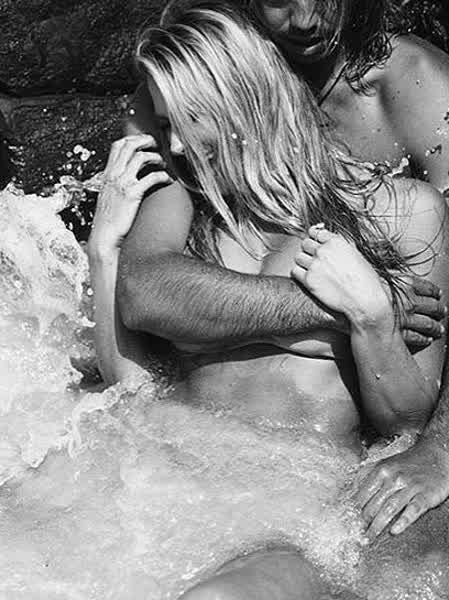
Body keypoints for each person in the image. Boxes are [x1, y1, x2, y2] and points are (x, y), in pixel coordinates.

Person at [88, 4, 449, 598]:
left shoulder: (402, 208)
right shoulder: (189, 193)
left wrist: (372, 318)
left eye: (190, 119)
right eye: (165, 122)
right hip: (143, 471)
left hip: (279, 500)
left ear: (243, 99)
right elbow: (137, 354)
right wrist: (104, 250)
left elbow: (405, 421)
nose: (172, 143)